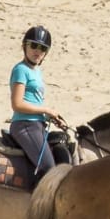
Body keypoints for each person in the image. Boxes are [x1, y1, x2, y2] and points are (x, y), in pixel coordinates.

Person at [8, 26, 70, 185]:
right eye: (33, 45)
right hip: (24, 125)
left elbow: (34, 101)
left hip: (38, 125)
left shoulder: (36, 71)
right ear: (24, 46)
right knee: (49, 168)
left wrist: (50, 116)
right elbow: (17, 104)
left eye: (43, 48)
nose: (37, 51)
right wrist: (46, 110)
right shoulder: (20, 70)